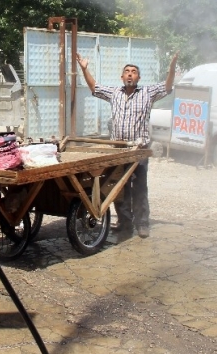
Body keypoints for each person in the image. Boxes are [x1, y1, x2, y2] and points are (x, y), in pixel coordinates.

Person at [76, 52, 177, 239]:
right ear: (122, 77)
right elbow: (94, 87)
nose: (130, 74)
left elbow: (168, 87)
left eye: (134, 72)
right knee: (119, 188)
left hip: (139, 151)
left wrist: (171, 68)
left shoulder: (147, 93)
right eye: (127, 72)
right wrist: (84, 68)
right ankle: (124, 222)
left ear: (138, 77)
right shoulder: (115, 93)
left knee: (139, 187)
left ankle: (142, 224)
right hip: (119, 151)